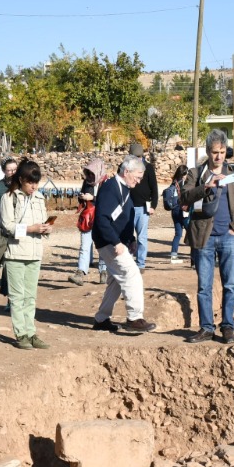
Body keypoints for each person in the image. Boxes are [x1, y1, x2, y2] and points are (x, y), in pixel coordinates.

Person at [181, 129, 234, 344]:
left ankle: (228, 327)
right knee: (204, 286)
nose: (219, 156)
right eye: (215, 152)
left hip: (228, 237)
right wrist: (206, 187)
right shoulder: (196, 174)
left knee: (230, 285)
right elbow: (184, 196)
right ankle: (206, 328)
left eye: (222, 151)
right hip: (204, 238)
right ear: (208, 151)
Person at [91, 155, 156, 334]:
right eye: (138, 175)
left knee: (116, 282)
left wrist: (131, 240)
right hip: (108, 242)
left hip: (117, 242)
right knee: (132, 273)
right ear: (126, 171)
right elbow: (102, 219)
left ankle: (101, 319)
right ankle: (134, 318)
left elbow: (124, 218)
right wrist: (116, 242)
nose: (140, 180)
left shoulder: (125, 189)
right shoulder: (111, 188)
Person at [0, 159, 54, 349]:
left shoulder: (39, 197)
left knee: (31, 296)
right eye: (30, 182)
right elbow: (7, 226)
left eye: (36, 182)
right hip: (15, 253)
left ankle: (31, 332)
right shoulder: (9, 197)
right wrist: (31, 228)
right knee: (17, 296)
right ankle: (21, 334)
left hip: (35, 252)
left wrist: (46, 229)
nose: (34, 186)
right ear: (21, 179)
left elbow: (42, 224)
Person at [127, 142, 159, 269]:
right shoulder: (125, 167)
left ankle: (140, 264)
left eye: (139, 157)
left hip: (143, 208)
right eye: (135, 157)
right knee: (127, 236)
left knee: (142, 237)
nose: (138, 159)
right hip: (128, 207)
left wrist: (154, 205)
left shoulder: (148, 168)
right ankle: (128, 263)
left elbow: (154, 188)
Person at [75, 159, 107, 284]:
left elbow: (107, 201)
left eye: (92, 173)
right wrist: (82, 198)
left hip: (101, 219)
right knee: (84, 246)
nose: (90, 176)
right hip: (87, 219)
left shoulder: (106, 183)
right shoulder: (87, 182)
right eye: (88, 173)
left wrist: (92, 198)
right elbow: (82, 200)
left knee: (102, 247)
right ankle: (80, 272)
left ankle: (103, 271)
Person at [163, 166, 189, 264]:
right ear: (184, 174)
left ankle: (174, 254)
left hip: (174, 210)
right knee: (191, 232)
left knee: (178, 234)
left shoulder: (174, 182)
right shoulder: (184, 183)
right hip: (182, 210)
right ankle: (196, 255)